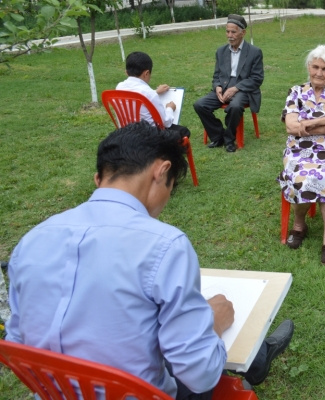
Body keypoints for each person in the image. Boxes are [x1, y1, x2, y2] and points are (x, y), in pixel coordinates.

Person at [5, 121, 294, 399]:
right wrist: (213, 324)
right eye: (171, 187)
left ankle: (258, 358)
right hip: (142, 393)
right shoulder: (164, 245)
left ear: (99, 180)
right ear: (162, 171)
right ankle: (256, 357)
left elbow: (17, 341)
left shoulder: (31, 240)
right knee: (210, 320)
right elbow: (199, 375)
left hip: (54, 392)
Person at [277, 45, 325, 266]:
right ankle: (299, 224)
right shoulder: (296, 92)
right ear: (308, 67)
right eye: (315, 67)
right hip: (299, 149)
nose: (319, 73)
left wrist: (312, 122)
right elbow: (292, 127)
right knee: (300, 174)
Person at [193, 14, 264, 153]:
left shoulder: (254, 52)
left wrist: (236, 88)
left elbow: (257, 78)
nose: (230, 35)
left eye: (233, 32)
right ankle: (218, 136)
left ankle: (229, 138)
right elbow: (216, 75)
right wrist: (217, 86)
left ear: (243, 33)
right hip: (224, 87)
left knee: (235, 106)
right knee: (200, 104)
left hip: (243, 89)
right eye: (227, 31)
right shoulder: (221, 51)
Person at [117, 51, 191, 139]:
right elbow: (166, 122)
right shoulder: (149, 93)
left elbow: (137, 94)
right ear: (146, 73)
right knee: (184, 131)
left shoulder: (119, 87)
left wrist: (156, 92)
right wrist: (170, 108)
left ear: (126, 72)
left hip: (125, 133)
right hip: (149, 136)